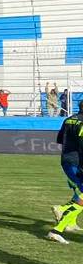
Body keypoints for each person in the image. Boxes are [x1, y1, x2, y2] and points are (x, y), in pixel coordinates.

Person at [48, 100, 83, 243]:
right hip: (77, 162)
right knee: (81, 196)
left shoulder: (69, 119)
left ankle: (68, 223)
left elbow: (60, 139)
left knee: (80, 194)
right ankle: (61, 213)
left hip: (67, 159)